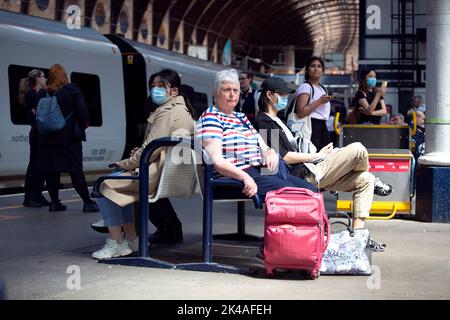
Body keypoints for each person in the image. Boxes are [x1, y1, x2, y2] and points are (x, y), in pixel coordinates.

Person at [254, 76, 393, 252]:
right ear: (269, 95)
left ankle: (359, 236)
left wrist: (319, 155)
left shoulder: (279, 120)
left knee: (365, 179)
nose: (285, 98)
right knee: (358, 149)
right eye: (281, 94)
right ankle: (373, 178)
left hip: (314, 168)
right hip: (304, 176)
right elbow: (283, 157)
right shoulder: (264, 122)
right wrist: (317, 156)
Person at [92, 69, 195, 259]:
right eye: (153, 86)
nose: (154, 90)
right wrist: (140, 155)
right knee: (116, 183)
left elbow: (149, 150)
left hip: (155, 176)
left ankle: (117, 242)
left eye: (160, 86)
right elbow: (154, 148)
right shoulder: (183, 111)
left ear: (173, 91)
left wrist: (124, 163)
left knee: (102, 185)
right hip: (168, 175)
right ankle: (132, 238)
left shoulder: (166, 113)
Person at [197, 69, 316, 222]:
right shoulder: (211, 117)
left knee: (311, 191)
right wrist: (245, 177)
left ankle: (310, 237)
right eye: (227, 90)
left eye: (236, 90)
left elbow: (262, 143)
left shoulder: (240, 117)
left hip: (259, 170)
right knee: (298, 194)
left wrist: (268, 151)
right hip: (234, 177)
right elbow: (217, 161)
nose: (232, 94)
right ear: (215, 92)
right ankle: (290, 240)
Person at [36, 64, 99, 213]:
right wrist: (84, 124)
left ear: (50, 77)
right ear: (64, 75)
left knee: (52, 172)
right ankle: (87, 203)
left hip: (47, 139)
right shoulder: (72, 89)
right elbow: (82, 111)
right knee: (75, 171)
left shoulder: (44, 93)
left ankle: (55, 203)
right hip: (69, 138)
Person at [18, 69, 50, 207]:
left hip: (42, 134)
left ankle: (38, 195)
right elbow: (37, 113)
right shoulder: (32, 94)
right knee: (34, 166)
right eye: (44, 77)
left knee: (42, 166)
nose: (46, 79)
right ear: (37, 78)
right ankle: (29, 197)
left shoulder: (40, 93)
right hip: (37, 134)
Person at [292, 56, 332, 150]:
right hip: (310, 125)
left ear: (322, 70)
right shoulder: (305, 87)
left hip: (322, 125)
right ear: (307, 70)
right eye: (312, 66)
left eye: (319, 66)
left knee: (326, 154)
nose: (316, 68)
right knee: (313, 155)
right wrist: (320, 101)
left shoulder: (323, 88)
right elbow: (301, 112)